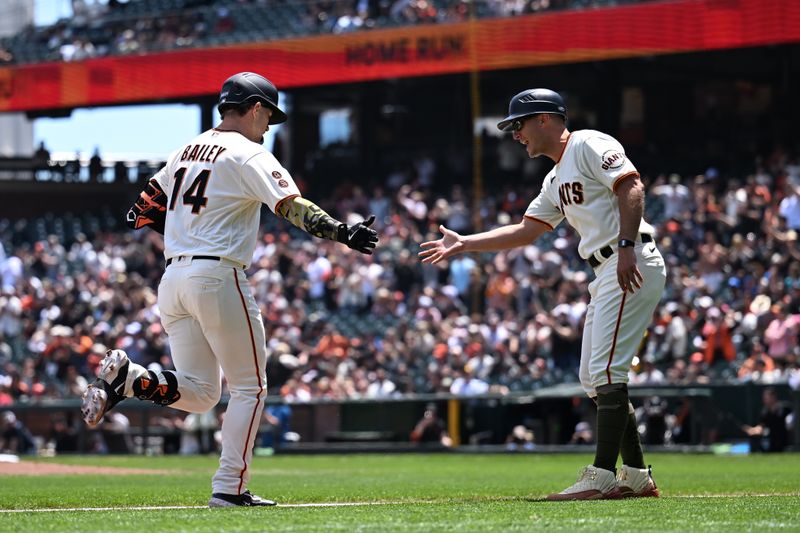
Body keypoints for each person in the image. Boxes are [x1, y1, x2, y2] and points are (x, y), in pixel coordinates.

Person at [81, 71, 379, 507]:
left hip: (173, 280)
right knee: (251, 388)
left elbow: (138, 213)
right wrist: (342, 233)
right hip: (217, 275)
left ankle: (130, 379)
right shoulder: (247, 153)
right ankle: (229, 488)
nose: (269, 127)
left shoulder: (184, 149)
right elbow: (291, 206)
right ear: (256, 108)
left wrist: (189, 228)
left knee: (201, 393)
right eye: (268, 117)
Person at [420, 88, 666, 500]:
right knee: (593, 377)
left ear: (545, 119)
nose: (516, 135)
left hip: (629, 257)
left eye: (519, 125)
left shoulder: (589, 143)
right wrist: (465, 243)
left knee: (606, 373)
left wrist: (625, 248)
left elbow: (631, 186)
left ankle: (603, 475)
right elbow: (526, 231)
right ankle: (637, 476)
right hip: (607, 265)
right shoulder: (554, 177)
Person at [743, 387, 792, 452]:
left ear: (773, 397)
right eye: (764, 398)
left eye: (767, 398)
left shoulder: (786, 408)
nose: (765, 400)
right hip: (773, 442)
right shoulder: (764, 412)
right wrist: (752, 430)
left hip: (787, 441)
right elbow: (761, 427)